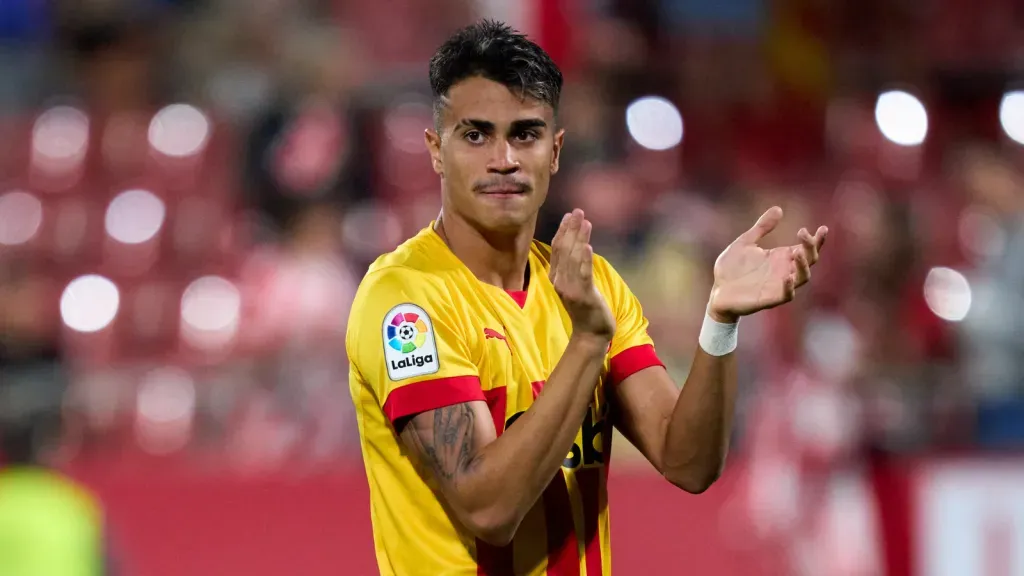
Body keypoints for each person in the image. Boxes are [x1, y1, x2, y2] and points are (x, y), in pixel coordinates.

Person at [346, 20, 828, 575]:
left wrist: (720, 319)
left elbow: (688, 462)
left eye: (525, 134)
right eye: (475, 135)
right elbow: (487, 508)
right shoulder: (406, 300)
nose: (503, 159)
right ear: (436, 149)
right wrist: (587, 342)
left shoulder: (590, 283)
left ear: (555, 151)